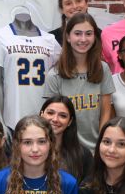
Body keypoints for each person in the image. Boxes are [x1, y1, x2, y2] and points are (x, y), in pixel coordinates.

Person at [41, 12, 114, 151]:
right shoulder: (54, 75)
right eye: (77, 33)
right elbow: (51, 119)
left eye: (88, 33)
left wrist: (101, 142)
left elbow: (106, 111)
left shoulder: (103, 69)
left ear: (95, 37)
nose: (83, 39)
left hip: (96, 149)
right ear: (68, 37)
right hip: (66, 151)